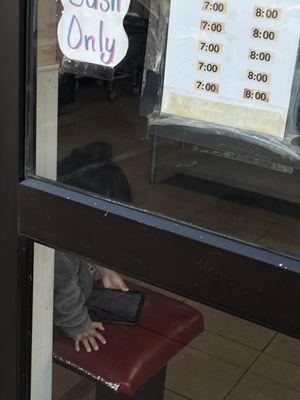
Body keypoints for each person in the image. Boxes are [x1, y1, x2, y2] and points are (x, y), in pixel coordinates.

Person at [54, 142, 132, 353]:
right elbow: (63, 289)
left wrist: (103, 269)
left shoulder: (66, 213)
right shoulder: (58, 241)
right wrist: (79, 325)